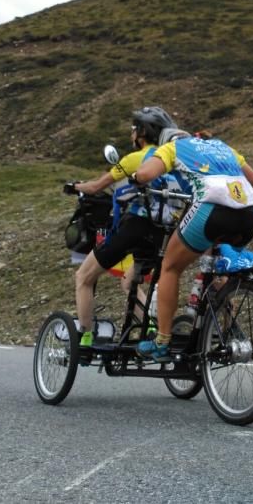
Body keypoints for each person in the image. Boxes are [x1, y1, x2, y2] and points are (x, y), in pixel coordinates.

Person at [131, 129, 253, 362]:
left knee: (170, 267)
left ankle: (161, 341)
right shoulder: (222, 146)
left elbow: (145, 174)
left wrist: (135, 177)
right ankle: (228, 323)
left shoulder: (172, 148)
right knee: (214, 261)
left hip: (212, 209)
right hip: (248, 215)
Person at [72, 106, 177, 349]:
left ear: (141, 133)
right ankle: (150, 327)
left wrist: (76, 186)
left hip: (136, 228)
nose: (132, 133)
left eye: (133, 129)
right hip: (164, 233)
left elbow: (98, 186)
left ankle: (86, 336)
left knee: (84, 277)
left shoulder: (135, 159)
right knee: (130, 282)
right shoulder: (171, 157)